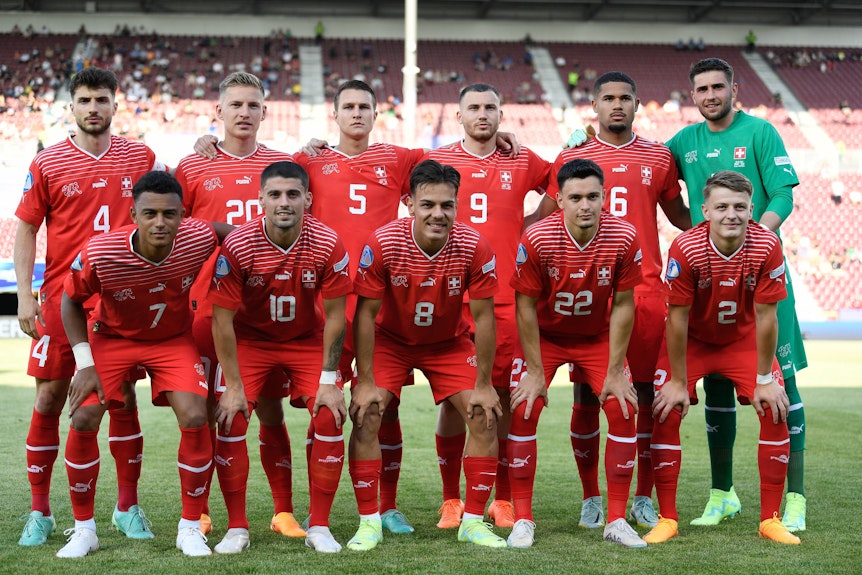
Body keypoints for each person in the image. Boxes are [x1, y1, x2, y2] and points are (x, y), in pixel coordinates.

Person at [14, 67, 165, 547]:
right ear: (71, 107)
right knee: (49, 399)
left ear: (116, 104)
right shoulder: (49, 162)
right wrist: (24, 292)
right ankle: (41, 512)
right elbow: (25, 229)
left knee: (122, 402)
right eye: (85, 100)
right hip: (62, 300)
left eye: (102, 99)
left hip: (122, 301)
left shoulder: (140, 156)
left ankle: (126, 507)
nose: (93, 107)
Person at [538, 71, 690, 531]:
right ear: (595, 106)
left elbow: (682, 216)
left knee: (641, 395)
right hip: (584, 292)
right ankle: (591, 497)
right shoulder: (573, 155)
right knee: (587, 393)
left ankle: (641, 495)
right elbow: (542, 219)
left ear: (638, 104)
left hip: (643, 291)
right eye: (608, 98)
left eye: (626, 97)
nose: (617, 105)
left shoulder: (659, 156)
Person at [666, 57, 808, 532]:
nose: (710, 95)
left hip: (762, 274)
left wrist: (752, 238)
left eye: (717, 87)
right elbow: (652, 177)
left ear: (734, 88)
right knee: (718, 386)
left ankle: (795, 498)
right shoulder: (684, 141)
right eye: (701, 88)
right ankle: (722, 494)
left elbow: (784, 193)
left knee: (782, 384)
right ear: (693, 95)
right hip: (711, 276)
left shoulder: (762, 132)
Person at [58, 171, 224, 557]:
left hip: (171, 340)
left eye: (169, 214)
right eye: (150, 214)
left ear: (183, 214)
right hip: (112, 339)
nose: (160, 223)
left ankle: (189, 528)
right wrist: (85, 364)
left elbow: (229, 232)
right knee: (83, 418)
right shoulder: (102, 251)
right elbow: (69, 301)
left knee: (197, 416)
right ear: (133, 213)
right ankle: (84, 530)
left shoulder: (197, 236)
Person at [346, 159, 503, 551]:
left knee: (483, 414)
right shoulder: (383, 242)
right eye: (428, 204)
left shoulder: (474, 244)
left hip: (447, 344)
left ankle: (471, 521)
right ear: (410, 204)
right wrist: (364, 382)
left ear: (457, 205)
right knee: (367, 412)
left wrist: (484, 384)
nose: (438, 213)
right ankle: (369, 522)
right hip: (390, 340)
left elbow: (484, 317)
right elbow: (364, 315)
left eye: (447, 205)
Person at [175, 71, 304, 540]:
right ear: (219, 112)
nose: (244, 113)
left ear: (265, 112)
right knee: (214, 409)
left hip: (269, 312)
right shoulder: (192, 167)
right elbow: (173, 232)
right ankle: (204, 510)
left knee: (271, 408)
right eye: (236, 105)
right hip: (212, 310)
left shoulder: (284, 164)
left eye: (253, 105)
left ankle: (283, 510)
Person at [645, 170, 800, 545]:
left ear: (751, 210)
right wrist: (679, 382)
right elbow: (677, 319)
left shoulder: (766, 244)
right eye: (722, 207)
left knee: (776, 407)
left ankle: (770, 519)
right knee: (666, 409)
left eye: (740, 207)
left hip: (742, 340)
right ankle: (668, 517)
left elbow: (766, 316)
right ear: (705, 211)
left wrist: (765, 378)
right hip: (693, 341)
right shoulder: (686, 247)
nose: (731, 214)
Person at [423, 83, 550, 530]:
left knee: (503, 399)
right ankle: (451, 498)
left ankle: (505, 499)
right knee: (454, 400)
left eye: (490, 107)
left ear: (501, 114)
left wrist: (529, 224)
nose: (482, 114)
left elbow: (559, 181)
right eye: (473, 108)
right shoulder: (436, 162)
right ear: (458, 116)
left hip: (505, 300)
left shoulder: (522, 158)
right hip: (451, 299)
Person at [208, 161, 353, 554]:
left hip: (306, 340)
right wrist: (234, 386)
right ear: (261, 200)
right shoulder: (238, 244)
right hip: (251, 342)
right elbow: (221, 321)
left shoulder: (327, 242)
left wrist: (328, 380)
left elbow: (337, 316)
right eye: (275, 195)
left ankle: (319, 526)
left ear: (308, 198)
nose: (284, 202)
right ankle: (237, 527)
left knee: (329, 413)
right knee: (232, 416)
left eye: (293, 194)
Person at [507, 158, 646, 549]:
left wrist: (617, 370)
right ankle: (522, 519)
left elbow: (623, 304)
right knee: (524, 406)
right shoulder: (538, 237)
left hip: (595, 336)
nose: (585, 205)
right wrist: (535, 371)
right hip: (546, 337)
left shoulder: (623, 235)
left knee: (622, 406)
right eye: (575, 197)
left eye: (592, 196)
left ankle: (617, 520)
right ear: (559, 199)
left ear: (604, 197)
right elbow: (525, 306)